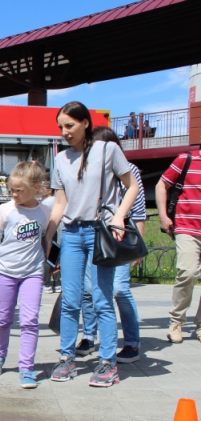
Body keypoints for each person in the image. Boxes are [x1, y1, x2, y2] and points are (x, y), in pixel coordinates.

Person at [45, 101, 140, 388]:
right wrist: (48, 237)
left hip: (100, 232)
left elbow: (132, 184)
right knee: (71, 300)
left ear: (86, 123)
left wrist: (120, 216)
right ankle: (67, 358)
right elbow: (60, 202)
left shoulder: (108, 150)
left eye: (70, 125)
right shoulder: (60, 159)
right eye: (61, 127)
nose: (64, 132)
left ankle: (108, 364)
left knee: (101, 300)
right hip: (72, 234)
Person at [75, 126, 147, 363]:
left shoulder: (130, 170)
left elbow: (138, 212)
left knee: (119, 290)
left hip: (117, 239)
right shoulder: (87, 166)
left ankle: (132, 343)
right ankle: (88, 335)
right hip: (91, 234)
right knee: (88, 291)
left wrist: (138, 246)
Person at [0, 162, 51, 388]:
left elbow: (48, 238)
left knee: (30, 321)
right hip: (6, 272)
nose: (14, 194)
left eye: (19, 190)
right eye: (12, 189)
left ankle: (27, 368)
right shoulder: (5, 209)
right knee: (3, 319)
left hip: (32, 272)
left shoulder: (44, 211)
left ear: (36, 187)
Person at [157, 147, 201, 343]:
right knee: (188, 272)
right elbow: (161, 185)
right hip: (187, 227)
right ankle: (176, 322)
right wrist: (163, 216)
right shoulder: (186, 159)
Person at [40, 186, 61, 294]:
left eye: (44, 188)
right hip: (56, 230)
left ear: (49, 190)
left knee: (46, 257)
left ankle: (47, 284)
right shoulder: (57, 201)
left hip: (47, 231)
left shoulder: (46, 203)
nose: (40, 190)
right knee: (55, 256)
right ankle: (57, 283)